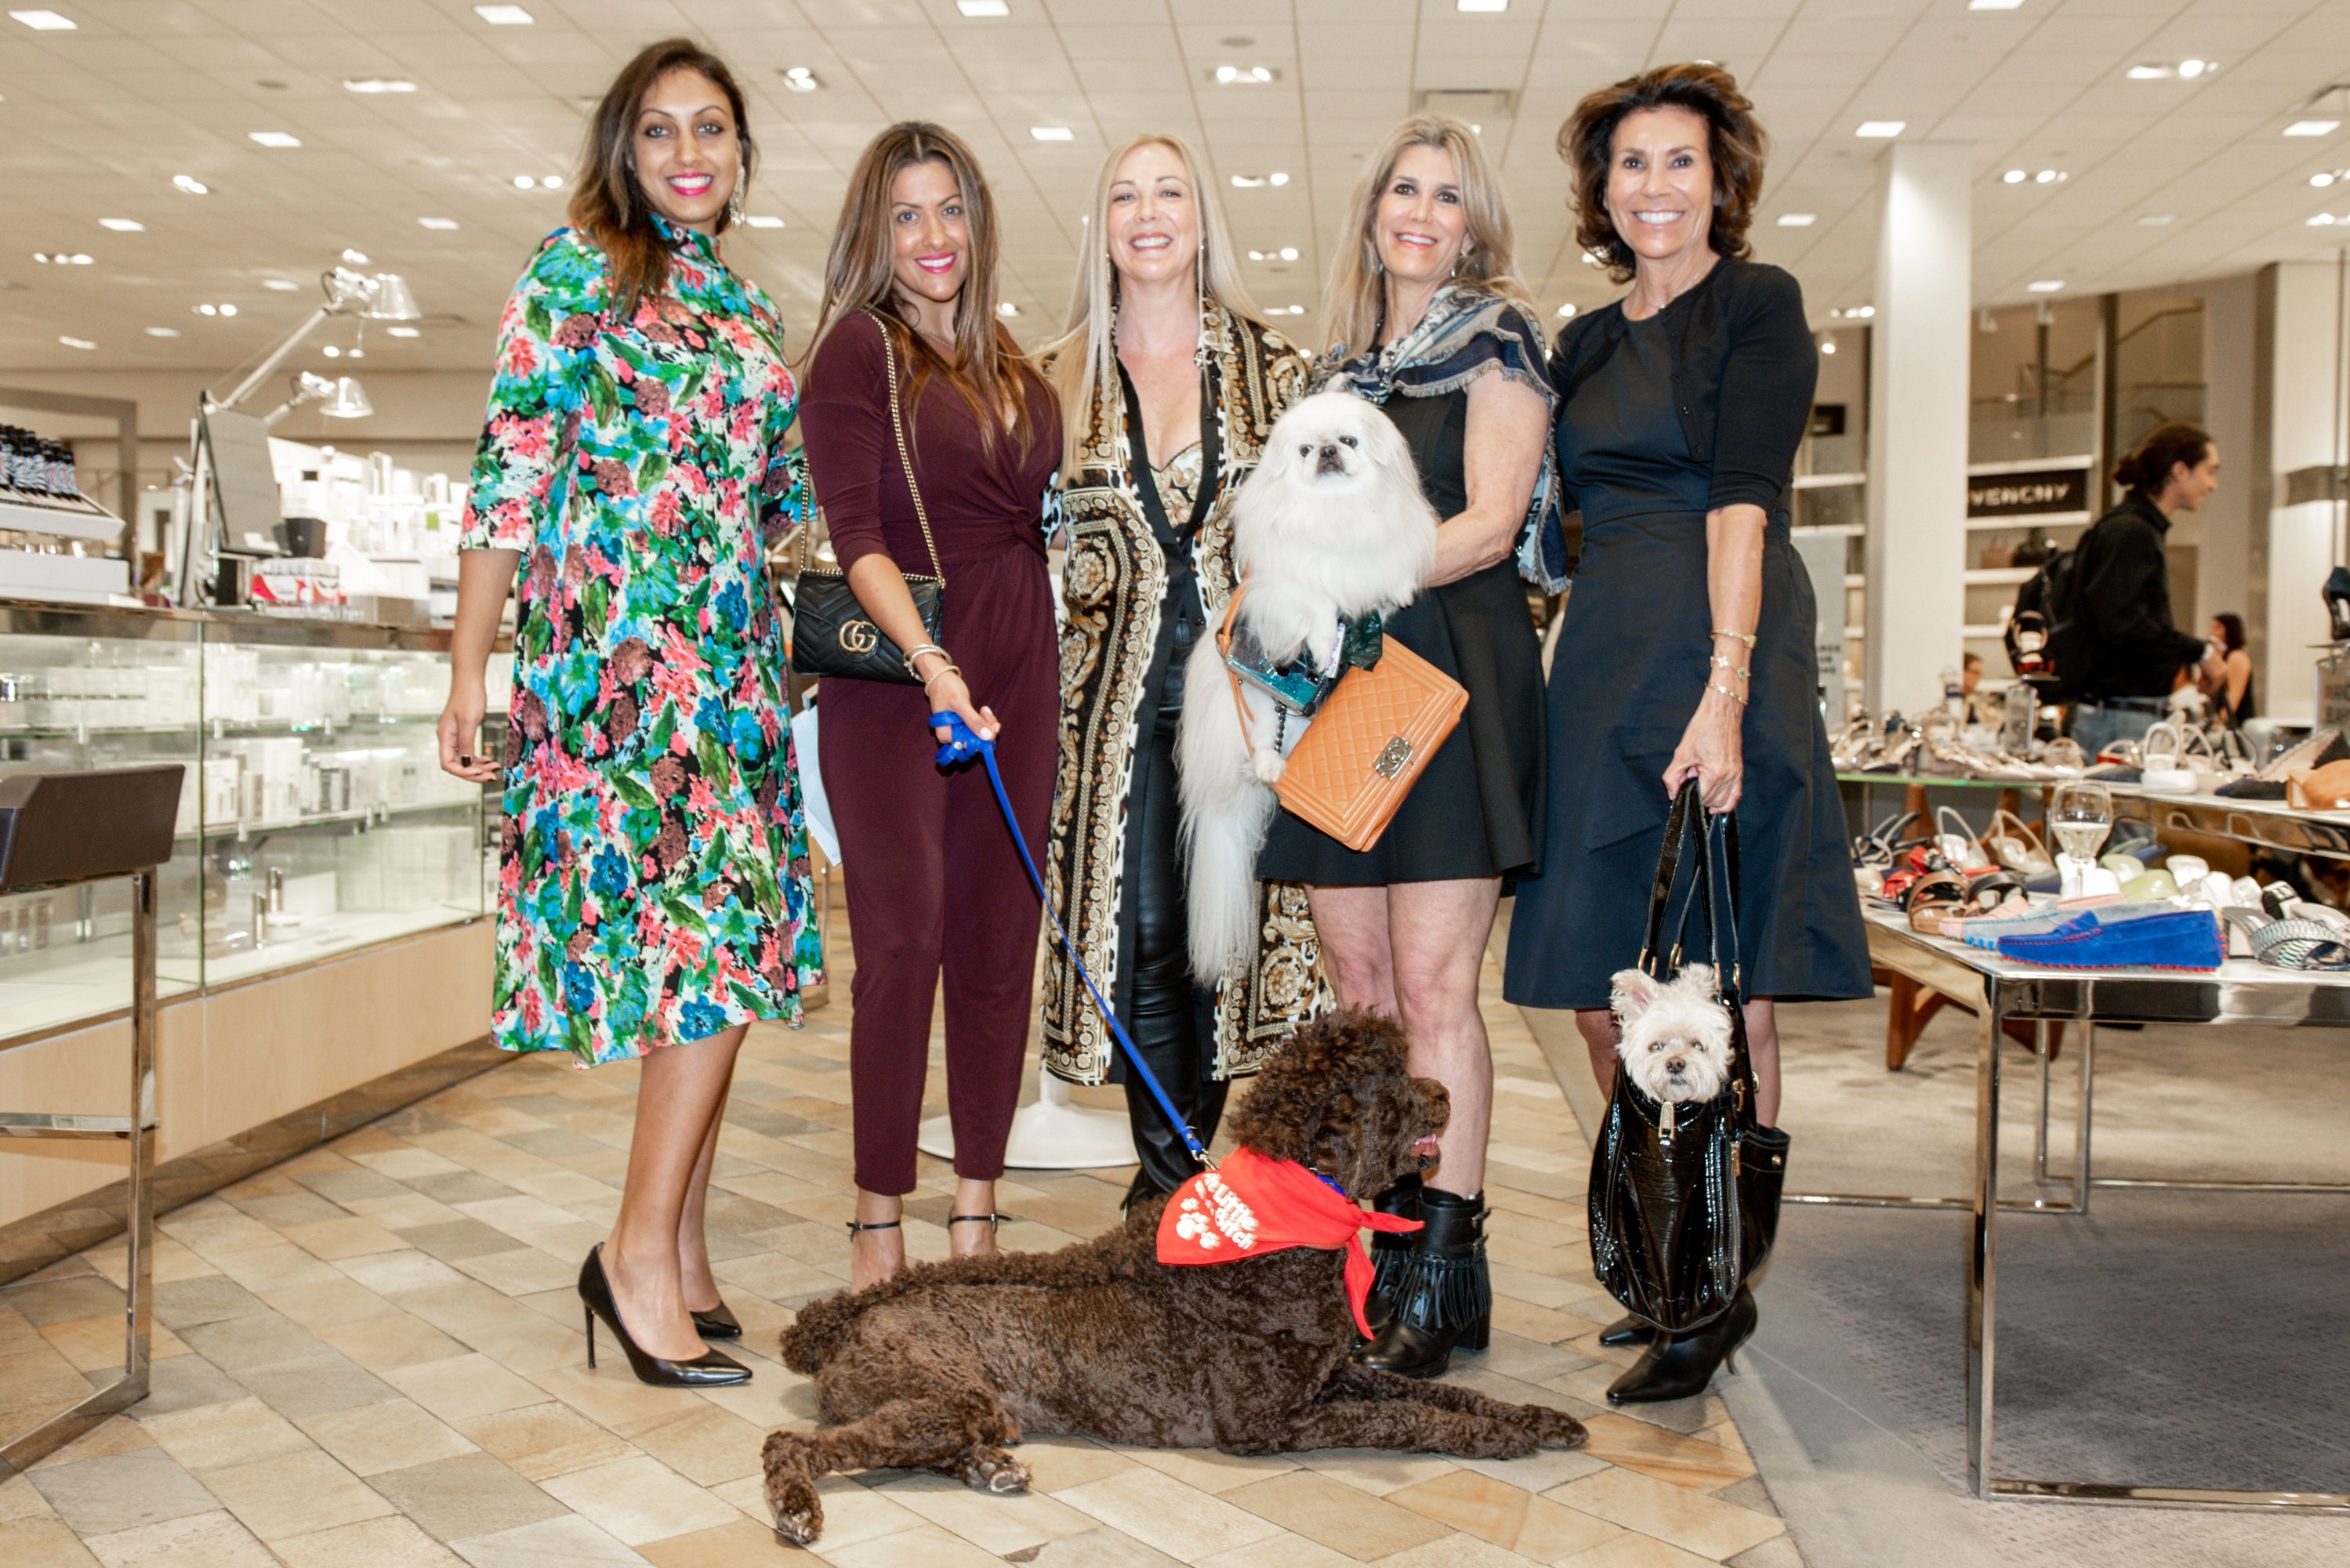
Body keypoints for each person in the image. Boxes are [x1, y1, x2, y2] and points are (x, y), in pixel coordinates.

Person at [437, 39, 821, 1387]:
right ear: (623, 149)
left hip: (730, 681)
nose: (687, 154)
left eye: (709, 129)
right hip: (611, 675)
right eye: (657, 132)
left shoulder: (750, 310)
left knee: (713, 962)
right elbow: (508, 476)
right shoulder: (576, 273)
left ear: (739, 150)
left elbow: (781, 510)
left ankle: (685, 1249)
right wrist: (466, 665)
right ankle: (632, 1257)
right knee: (703, 956)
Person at [1503, 63, 1872, 1403]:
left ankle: (1718, 1284)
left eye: (1678, 161)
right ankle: (1664, 1252)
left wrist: (1721, 691)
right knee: (1610, 987)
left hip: (1724, 640)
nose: (1652, 185)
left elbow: (1740, 504)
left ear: (1720, 181)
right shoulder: (1584, 341)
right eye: (1628, 164)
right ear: (1598, 191)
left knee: (1732, 977)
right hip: (1599, 658)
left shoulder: (1756, 307)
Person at [1260, 114, 1558, 1379]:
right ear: (1373, 210)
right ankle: (1370, 1243)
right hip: (1350, 699)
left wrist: (1341, 590)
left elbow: (1490, 526)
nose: (1421, 213)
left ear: (1472, 223)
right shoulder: (1336, 377)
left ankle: (1446, 1264)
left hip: (1453, 687)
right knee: (1361, 1001)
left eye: (1446, 196)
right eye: (1402, 189)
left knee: (1438, 996)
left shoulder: (1496, 349)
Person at [798, 123, 1059, 1290]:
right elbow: (856, 537)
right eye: (906, 214)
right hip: (904, 682)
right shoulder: (861, 350)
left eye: (949, 207)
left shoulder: (1010, 360)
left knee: (1000, 945)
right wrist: (930, 662)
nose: (933, 235)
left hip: (1020, 669)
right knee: (901, 944)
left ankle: (977, 1214)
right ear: (875, 232)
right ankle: (875, 1220)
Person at [1039, 135, 1319, 1203]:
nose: (1146, 211)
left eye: (1169, 191)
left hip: (1247, 712)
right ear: (1100, 224)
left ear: (1202, 219)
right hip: (1104, 713)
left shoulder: (1277, 369)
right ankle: (1168, 1180)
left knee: (1223, 938)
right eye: (1123, 193)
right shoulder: (1052, 377)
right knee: (1145, 937)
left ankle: (1177, 1174)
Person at [2064, 422, 2226, 759]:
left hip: (2120, 714)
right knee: (2111, 811)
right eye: (2209, 472)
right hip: (2117, 718)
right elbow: (2122, 623)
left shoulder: (2132, 529)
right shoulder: (2131, 531)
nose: (2212, 485)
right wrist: (2200, 651)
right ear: (2179, 471)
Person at [2210, 612, 2255, 725]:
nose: (2211, 632)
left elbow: (2234, 695)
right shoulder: (2221, 656)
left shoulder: (2237, 656)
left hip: (2235, 723)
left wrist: (2220, 722)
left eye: (2217, 628)